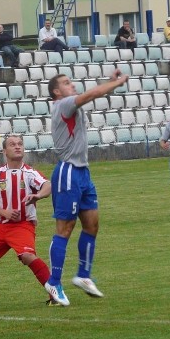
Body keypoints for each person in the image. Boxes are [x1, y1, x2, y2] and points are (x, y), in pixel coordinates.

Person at [45, 69, 128, 306]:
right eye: (66, 83)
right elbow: (92, 95)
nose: (72, 85)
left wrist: (111, 82)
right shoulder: (63, 104)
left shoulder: (69, 105)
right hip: (68, 172)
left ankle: (83, 275)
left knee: (92, 225)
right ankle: (54, 281)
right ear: (56, 92)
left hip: (82, 172)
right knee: (65, 228)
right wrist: (118, 83)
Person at [0, 135, 57, 306]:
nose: (17, 147)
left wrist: (38, 195)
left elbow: (48, 185)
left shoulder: (29, 173)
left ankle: (55, 294)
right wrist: (4, 212)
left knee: (28, 256)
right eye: (12, 144)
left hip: (22, 225)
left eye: (20, 144)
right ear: (4, 151)